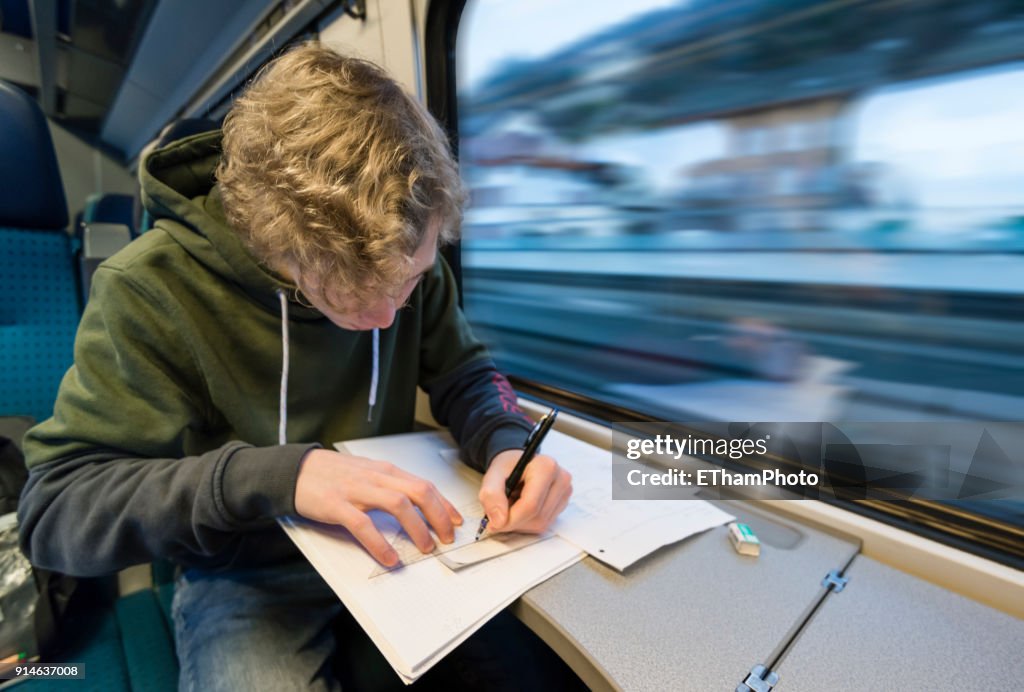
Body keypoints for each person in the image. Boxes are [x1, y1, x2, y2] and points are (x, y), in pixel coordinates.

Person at [17, 42, 573, 690]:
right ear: (277, 245)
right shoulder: (151, 289)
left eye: (411, 282)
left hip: (410, 546)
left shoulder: (401, 254)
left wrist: (506, 445)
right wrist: (279, 477)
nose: (392, 317)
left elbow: (466, 376)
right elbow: (54, 510)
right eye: (358, 291)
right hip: (248, 571)